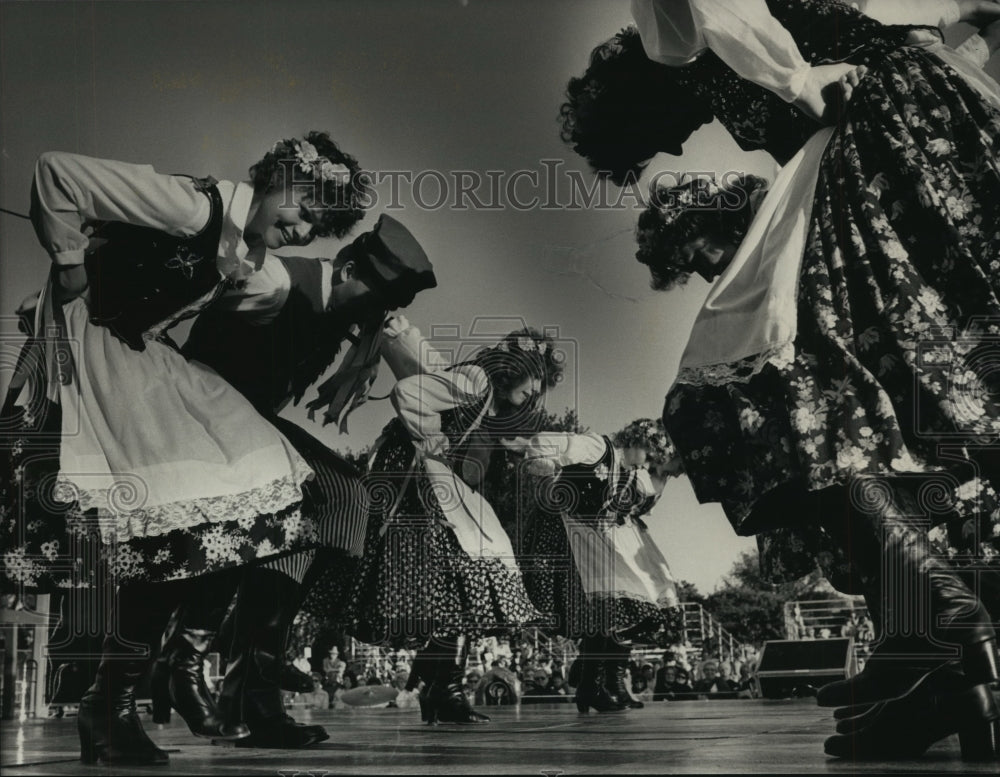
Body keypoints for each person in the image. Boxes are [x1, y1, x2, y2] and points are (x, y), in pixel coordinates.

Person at [565, 0, 1000, 759]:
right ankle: (936, 654)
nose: (674, 140)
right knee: (923, 378)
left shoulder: (693, 44)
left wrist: (796, 82)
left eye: (651, 133)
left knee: (810, 396)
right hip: (919, 125)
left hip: (883, 133)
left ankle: (947, 635)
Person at [0, 132, 368, 765]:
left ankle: (115, 698)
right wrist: (68, 264)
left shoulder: (246, 256)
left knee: (223, 513)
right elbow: (57, 173)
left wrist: (336, 331)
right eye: (305, 210)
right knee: (199, 510)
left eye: (318, 226)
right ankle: (112, 701)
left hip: (140, 361)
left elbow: (278, 292)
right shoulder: (193, 206)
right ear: (282, 177)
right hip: (97, 358)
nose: (305, 229)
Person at [181, 212, 436, 748]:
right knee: (339, 495)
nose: (379, 311)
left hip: (245, 433)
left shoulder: (352, 311)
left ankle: (248, 682)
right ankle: (218, 665)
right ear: (346, 267)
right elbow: (190, 302)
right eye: (377, 294)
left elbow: (423, 375)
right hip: (198, 418)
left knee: (317, 516)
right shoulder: (275, 280)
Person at [326, 328, 563, 725]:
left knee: (463, 584)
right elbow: (409, 394)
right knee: (466, 575)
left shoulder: (485, 397)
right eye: (534, 378)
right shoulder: (477, 379)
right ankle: (444, 689)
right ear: (515, 368)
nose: (536, 390)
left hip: (437, 484)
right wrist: (432, 438)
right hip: (421, 484)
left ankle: (442, 689)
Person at [504, 419, 684, 714]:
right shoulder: (596, 447)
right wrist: (547, 469)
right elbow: (545, 445)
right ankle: (593, 682)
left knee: (611, 607)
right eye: (649, 455)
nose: (649, 463)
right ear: (638, 442)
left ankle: (595, 683)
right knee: (607, 606)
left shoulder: (628, 471)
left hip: (589, 536)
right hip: (563, 531)